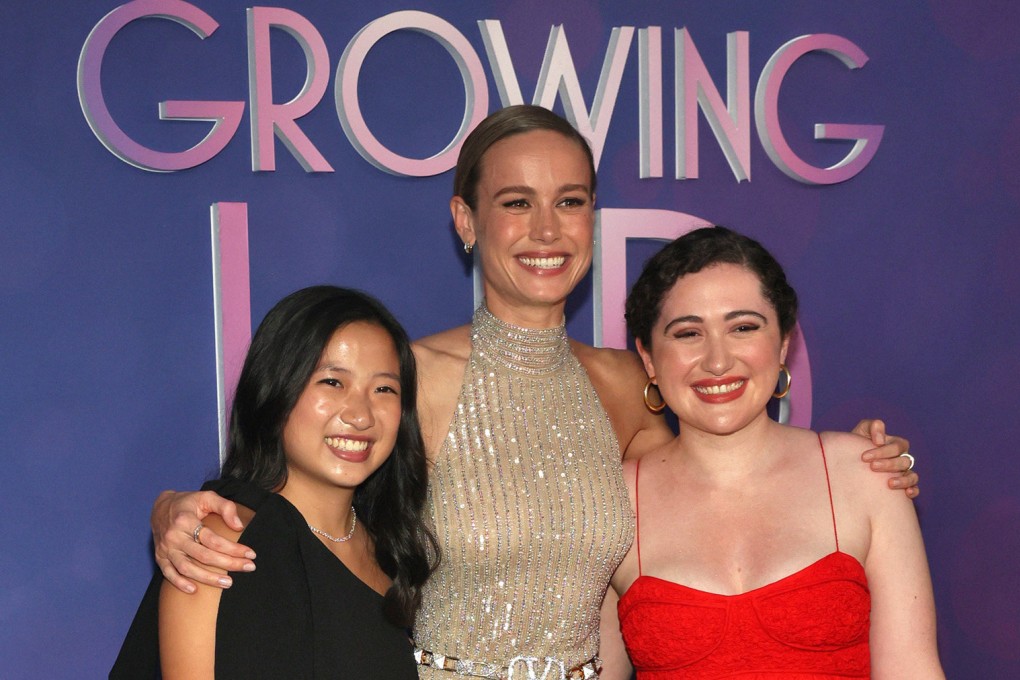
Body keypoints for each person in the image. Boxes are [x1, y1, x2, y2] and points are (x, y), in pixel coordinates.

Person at [146, 106, 918, 679]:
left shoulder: (629, 384)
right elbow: (303, 518)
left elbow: (725, 484)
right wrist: (178, 512)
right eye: (516, 202)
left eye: (571, 200)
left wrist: (860, 465)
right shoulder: (405, 381)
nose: (546, 228)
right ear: (466, 220)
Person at [613, 227, 942, 678]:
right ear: (649, 358)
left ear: (783, 343)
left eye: (743, 328)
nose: (717, 361)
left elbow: (912, 669)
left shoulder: (864, 474)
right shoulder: (609, 503)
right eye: (688, 333)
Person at [111, 286, 436, 678]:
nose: (361, 414)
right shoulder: (221, 541)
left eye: (384, 389)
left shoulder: (388, 548)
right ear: (277, 388)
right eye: (333, 382)